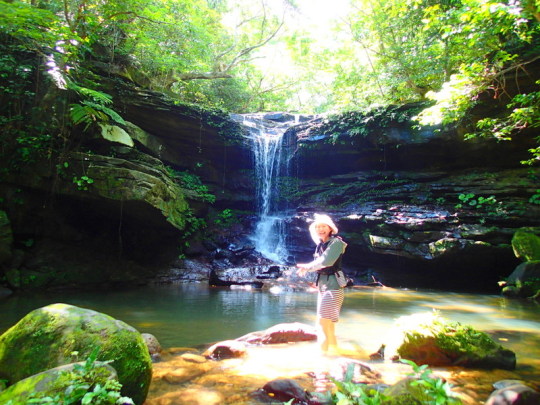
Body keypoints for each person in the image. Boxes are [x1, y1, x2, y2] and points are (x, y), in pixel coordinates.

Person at [297, 213, 348, 355]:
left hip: (334, 287)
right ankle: (335, 353)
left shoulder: (336, 243)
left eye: (323, 226)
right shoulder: (321, 244)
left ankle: (322, 357)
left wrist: (307, 266)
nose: (320, 229)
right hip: (324, 287)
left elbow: (326, 261)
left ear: (330, 228)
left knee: (322, 323)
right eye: (318, 227)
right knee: (328, 325)